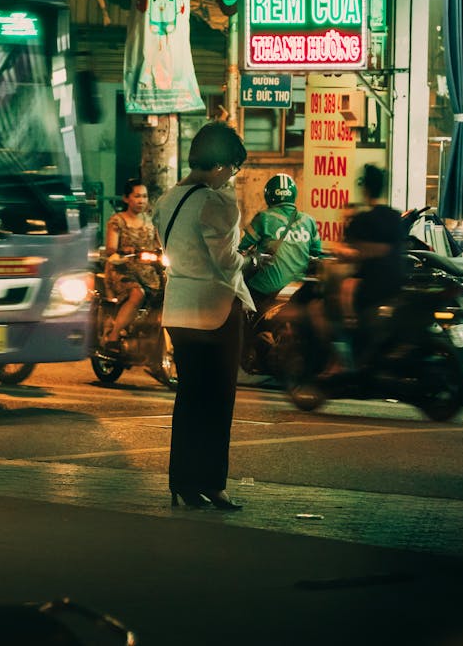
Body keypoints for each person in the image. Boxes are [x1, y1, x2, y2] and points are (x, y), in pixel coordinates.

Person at [153, 121, 252, 511]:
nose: (232, 176)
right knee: (217, 401)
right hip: (215, 310)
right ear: (220, 165)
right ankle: (213, 483)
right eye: (233, 168)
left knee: (189, 399)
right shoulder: (218, 201)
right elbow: (226, 262)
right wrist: (252, 258)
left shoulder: (168, 199)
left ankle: (182, 482)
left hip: (178, 308)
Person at [327, 164, 405, 365]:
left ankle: (341, 363)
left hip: (370, 289)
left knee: (335, 307)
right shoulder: (395, 216)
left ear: (365, 189)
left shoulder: (363, 220)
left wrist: (334, 247)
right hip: (396, 285)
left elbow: (349, 254)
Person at [238, 173, 322, 312]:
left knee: (241, 295)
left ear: (268, 195)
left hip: (266, 289)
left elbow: (241, 246)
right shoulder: (309, 221)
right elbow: (317, 254)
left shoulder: (264, 218)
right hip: (297, 290)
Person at [102, 179, 163, 350]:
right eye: (137, 196)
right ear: (126, 198)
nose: (141, 200)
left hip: (148, 270)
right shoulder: (117, 221)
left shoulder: (151, 222)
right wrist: (123, 250)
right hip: (122, 270)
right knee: (138, 294)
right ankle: (113, 336)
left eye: (144, 196)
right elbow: (110, 249)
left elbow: (160, 244)